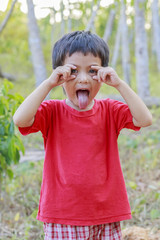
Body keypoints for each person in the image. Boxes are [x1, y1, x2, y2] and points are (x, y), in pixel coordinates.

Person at [13, 31, 152, 240]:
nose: (84, 78)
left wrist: (119, 84)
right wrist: (49, 83)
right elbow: (20, 119)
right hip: (63, 214)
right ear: (60, 74)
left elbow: (145, 119)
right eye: (74, 71)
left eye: (92, 70)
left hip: (106, 212)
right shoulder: (52, 111)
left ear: (103, 73)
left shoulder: (110, 110)